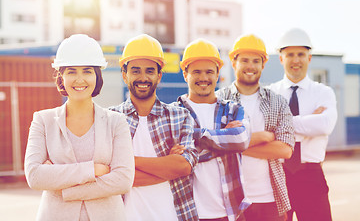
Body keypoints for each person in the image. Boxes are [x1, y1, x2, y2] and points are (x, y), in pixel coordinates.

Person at [24, 34, 135, 221]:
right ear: (61, 76)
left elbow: (123, 180)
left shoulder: (116, 122)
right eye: (71, 71)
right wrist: (92, 170)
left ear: (97, 75)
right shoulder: (43, 121)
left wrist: (63, 187)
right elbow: (35, 176)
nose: (79, 79)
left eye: (87, 71)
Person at [109, 34, 199, 221]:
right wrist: (167, 167)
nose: (143, 77)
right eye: (135, 71)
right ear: (125, 75)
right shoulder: (109, 119)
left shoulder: (180, 116)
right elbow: (108, 179)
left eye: (149, 71)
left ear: (159, 75)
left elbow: (183, 167)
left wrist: (124, 162)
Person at [216, 34, 295, 221]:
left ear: (263, 65)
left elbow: (285, 150)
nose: (250, 66)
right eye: (244, 60)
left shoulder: (278, 102)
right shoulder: (218, 101)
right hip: (229, 199)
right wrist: (263, 137)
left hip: (270, 199)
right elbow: (212, 145)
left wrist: (234, 143)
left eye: (256, 61)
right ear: (234, 63)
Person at [174, 38, 251, 221]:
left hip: (231, 212)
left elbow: (241, 140)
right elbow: (172, 160)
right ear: (185, 74)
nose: (203, 78)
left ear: (217, 74)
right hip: (187, 213)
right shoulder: (173, 113)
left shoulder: (233, 109)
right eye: (196, 72)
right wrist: (224, 144)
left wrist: (192, 142)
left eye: (209, 72)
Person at [268, 28, 337, 221]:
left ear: (309, 58)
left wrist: (281, 126)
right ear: (281, 58)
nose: (296, 60)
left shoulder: (323, 92)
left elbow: (324, 126)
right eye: (290, 54)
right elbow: (263, 129)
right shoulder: (270, 94)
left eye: (301, 54)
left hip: (312, 176)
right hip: (278, 175)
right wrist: (308, 122)